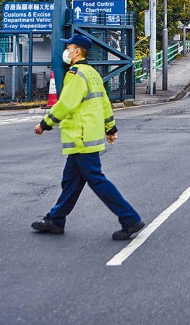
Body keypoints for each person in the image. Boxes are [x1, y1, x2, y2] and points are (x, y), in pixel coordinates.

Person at [32, 34, 145, 240]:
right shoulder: (92, 73)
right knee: (71, 181)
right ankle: (56, 219)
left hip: (80, 137)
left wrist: (45, 124)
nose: (66, 51)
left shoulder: (76, 75)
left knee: (96, 180)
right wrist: (111, 129)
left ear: (77, 52)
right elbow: (104, 103)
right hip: (86, 138)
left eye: (69, 48)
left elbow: (66, 104)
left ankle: (130, 219)